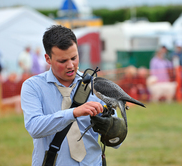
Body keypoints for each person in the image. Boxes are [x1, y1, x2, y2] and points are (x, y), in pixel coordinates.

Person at [21, 25, 121, 166]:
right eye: (63, 61)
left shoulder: (96, 85)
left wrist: (111, 128)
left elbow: (116, 143)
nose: (71, 65)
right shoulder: (33, 86)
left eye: (74, 58)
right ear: (47, 59)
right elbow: (34, 127)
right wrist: (73, 113)